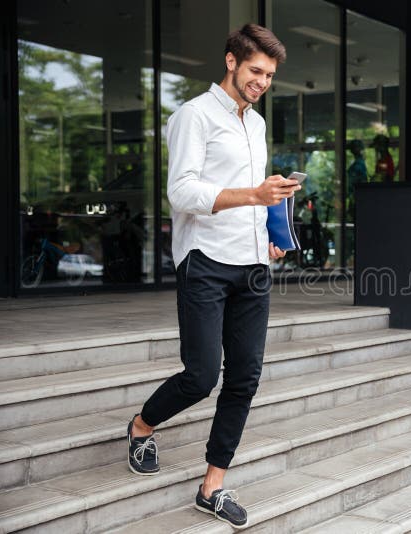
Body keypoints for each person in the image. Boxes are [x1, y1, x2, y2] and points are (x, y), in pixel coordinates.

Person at [124, 23, 299, 529]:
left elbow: (258, 194)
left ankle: (212, 485)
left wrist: (272, 231)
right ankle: (140, 426)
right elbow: (181, 193)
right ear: (230, 61)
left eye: (269, 74)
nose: (262, 81)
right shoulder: (193, 117)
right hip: (204, 262)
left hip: (253, 267)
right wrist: (253, 196)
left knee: (244, 378)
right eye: (255, 70)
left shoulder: (258, 125)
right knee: (202, 375)